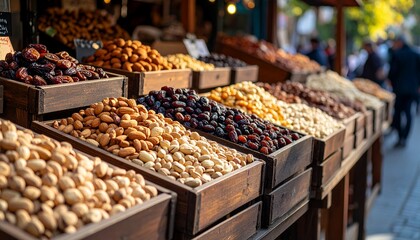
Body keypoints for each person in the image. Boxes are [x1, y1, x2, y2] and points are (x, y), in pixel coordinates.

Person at [388, 36, 420, 147]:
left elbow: (392, 73)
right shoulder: (415, 54)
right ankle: (404, 137)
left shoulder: (397, 55)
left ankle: (401, 136)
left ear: (399, 43)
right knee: (408, 113)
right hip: (412, 89)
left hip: (399, 89)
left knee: (397, 113)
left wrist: (392, 82)